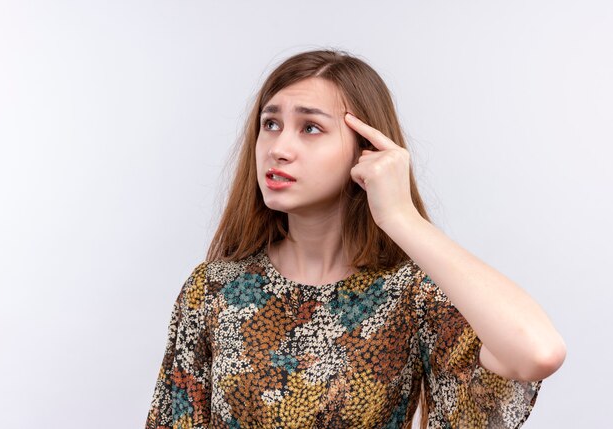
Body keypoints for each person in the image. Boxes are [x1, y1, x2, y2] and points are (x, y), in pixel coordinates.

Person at [145, 49, 566, 429]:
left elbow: (537, 352)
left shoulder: (410, 294)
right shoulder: (215, 289)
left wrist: (402, 218)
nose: (278, 147)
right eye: (270, 124)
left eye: (310, 128)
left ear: (366, 150)